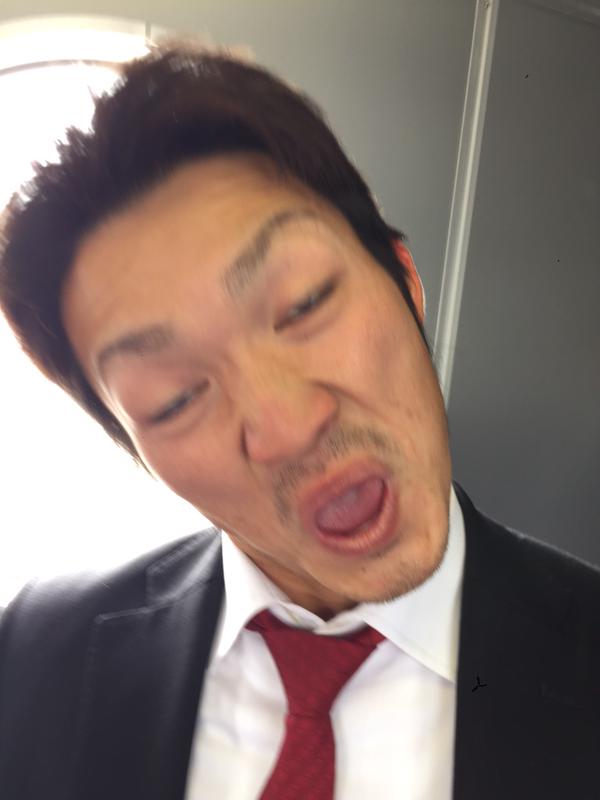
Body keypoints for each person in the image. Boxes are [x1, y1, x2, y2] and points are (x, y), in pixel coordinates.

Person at [0, 42, 598, 800]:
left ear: (405, 280)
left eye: (305, 303)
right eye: (174, 399)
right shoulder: (33, 654)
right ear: (136, 449)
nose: (285, 427)